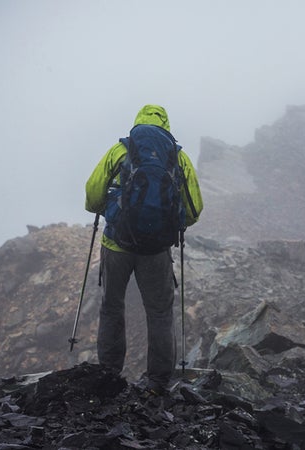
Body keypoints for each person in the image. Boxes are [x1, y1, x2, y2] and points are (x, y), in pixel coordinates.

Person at [84, 104, 203, 394]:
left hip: (117, 244)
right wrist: (170, 227)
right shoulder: (178, 157)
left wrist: (111, 210)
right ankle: (158, 382)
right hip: (157, 251)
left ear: (137, 123)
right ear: (166, 125)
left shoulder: (120, 150)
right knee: (160, 312)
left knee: (112, 307)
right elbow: (194, 209)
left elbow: (92, 195)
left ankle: (109, 373)